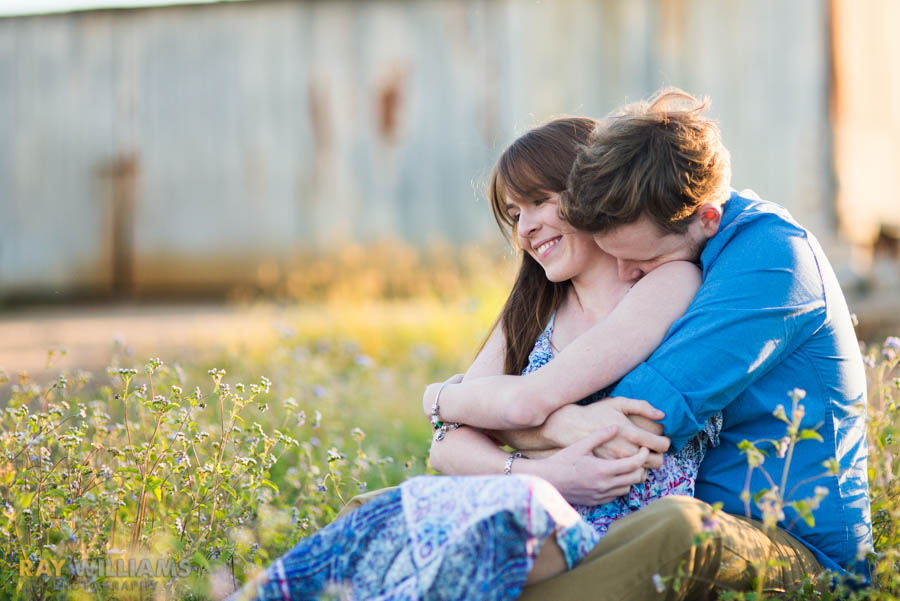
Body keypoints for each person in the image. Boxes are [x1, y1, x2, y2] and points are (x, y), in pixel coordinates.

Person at [226, 117, 716, 601]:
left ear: (593, 192)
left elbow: (519, 406)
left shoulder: (665, 283)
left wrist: (442, 397)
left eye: (541, 201)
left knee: (491, 517)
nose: (526, 228)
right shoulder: (533, 306)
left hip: (618, 532)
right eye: (514, 213)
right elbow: (447, 448)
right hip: (526, 505)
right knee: (408, 517)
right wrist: (546, 470)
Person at [431, 88, 872, 600]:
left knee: (677, 530)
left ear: (706, 219)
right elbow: (471, 440)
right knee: (402, 510)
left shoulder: (771, 265)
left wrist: (486, 408)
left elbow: (627, 434)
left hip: (788, 546)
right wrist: (525, 426)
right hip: (644, 518)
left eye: (640, 261)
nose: (627, 276)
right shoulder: (661, 245)